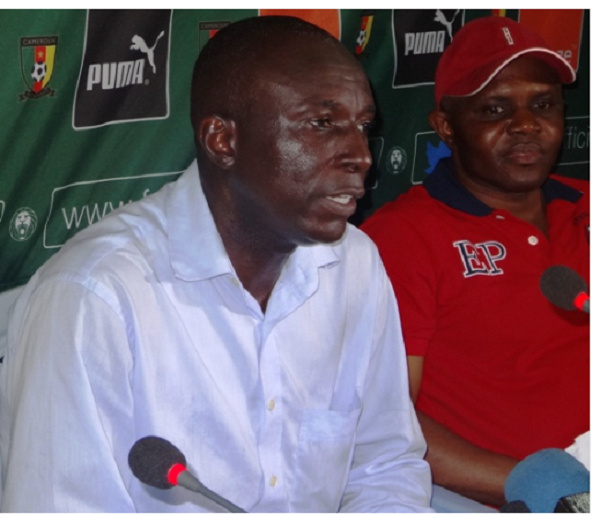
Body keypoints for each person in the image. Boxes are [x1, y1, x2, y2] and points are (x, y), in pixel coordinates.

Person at [0, 16, 432, 512]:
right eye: (321, 124)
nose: (360, 156)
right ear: (222, 141)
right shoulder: (94, 297)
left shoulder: (353, 263)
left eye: (363, 127)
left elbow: (384, 465)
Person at [361, 16, 589, 507]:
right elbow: (383, 419)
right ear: (446, 126)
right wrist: (538, 484)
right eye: (495, 109)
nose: (527, 124)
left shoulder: (588, 206)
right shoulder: (404, 237)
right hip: (490, 495)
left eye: (543, 104)